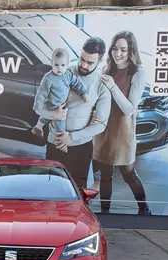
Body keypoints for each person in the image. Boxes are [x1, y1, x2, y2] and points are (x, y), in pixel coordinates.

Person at [33, 37, 112, 188]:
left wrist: (71, 137)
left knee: (77, 192)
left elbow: (101, 124)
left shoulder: (102, 87)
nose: (83, 65)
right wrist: (52, 116)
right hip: (54, 143)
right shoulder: (61, 72)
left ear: (100, 62)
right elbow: (39, 107)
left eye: (90, 63)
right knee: (51, 190)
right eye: (82, 59)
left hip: (80, 148)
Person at [92, 30, 151, 215]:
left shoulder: (138, 73)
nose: (118, 53)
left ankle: (144, 209)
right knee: (105, 175)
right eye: (115, 49)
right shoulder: (108, 69)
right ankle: (105, 212)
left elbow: (129, 109)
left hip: (123, 131)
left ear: (131, 51)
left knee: (129, 174)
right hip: (104, 129)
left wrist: (112, 86)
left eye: (123, 50)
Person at [31, 48, 90, 154]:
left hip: (59, 103)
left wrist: (84, 93)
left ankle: (38, 127)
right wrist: (38, 105)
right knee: (60, 124)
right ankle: (61, 144)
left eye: (62, 65)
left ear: (67, 65)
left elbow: (77, 84)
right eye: (56, 65)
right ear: (51, 64)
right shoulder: (48, 78)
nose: (59, 68)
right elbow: (41, 93)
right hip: (52, 105)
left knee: (45, 118)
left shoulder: (68, 75)